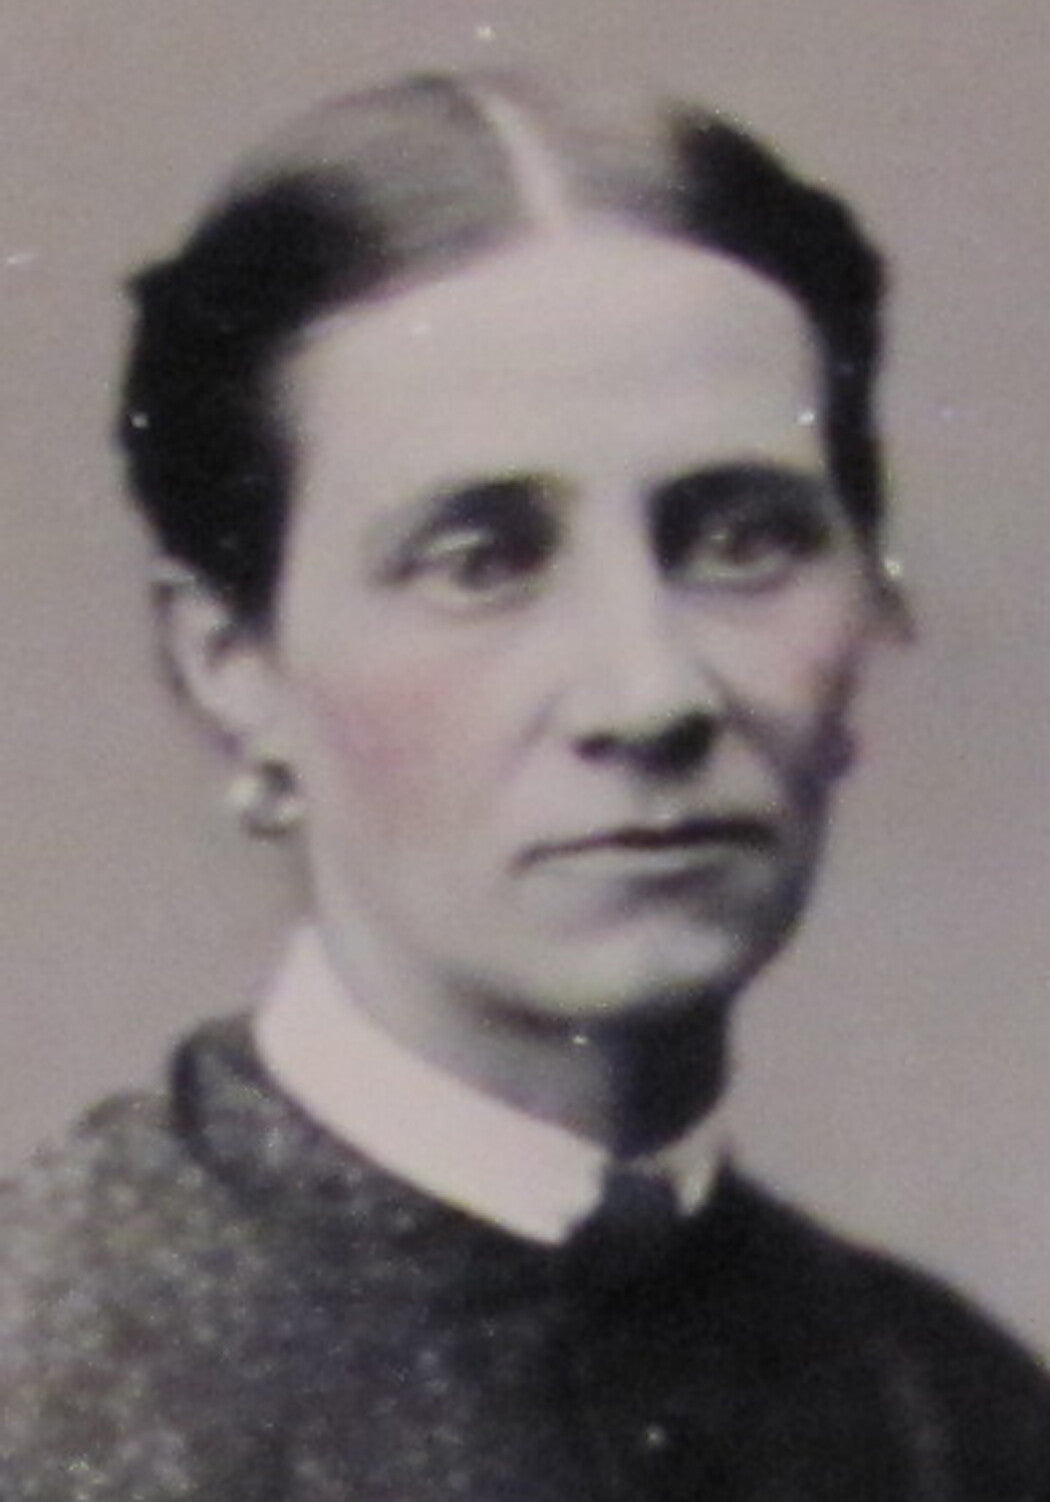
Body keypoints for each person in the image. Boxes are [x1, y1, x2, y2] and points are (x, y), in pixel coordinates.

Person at [1, 70, 1047, 1500]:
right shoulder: (40, 1390)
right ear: (230, 663)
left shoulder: (957, 1410)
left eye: (742, 537)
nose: (649, 692)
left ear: (871, 603)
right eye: (479, 559)